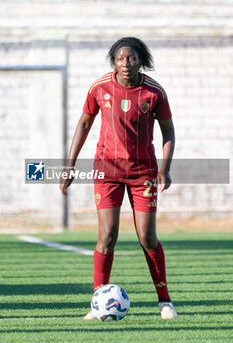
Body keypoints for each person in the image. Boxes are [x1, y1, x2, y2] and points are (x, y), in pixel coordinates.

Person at [60, 37, 178, 320]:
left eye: (132, 58)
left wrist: (165, 168)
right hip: (107, 171)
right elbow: (85, 123)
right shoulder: (100, 87)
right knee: (107, 236)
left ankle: (165, 301)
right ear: (114, 61)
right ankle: (98, 302)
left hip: (143, 172)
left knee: (148, 237)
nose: (126, 63)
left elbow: (168, 132)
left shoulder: (154, 93)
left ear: (141, 61)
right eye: (120, 59)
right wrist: (69, 165)